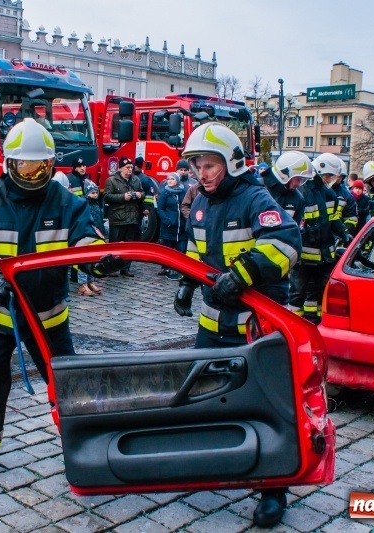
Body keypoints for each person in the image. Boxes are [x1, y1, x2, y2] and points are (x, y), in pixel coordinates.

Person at [0, 118, 122, 487]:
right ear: (9, 163)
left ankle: (88, 446)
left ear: (51, 164)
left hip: (48, 315)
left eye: (41, 166)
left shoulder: (65, 201)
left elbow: (84, 241)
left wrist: (99, 259)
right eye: (25, 166)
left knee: (68, 384)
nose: (33, 173)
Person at [172, 123, 302, 527]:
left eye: (210, 165)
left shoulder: (255, 198)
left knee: (266, 402)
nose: (202, 173)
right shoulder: (200, 202)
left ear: (232, 163)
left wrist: (243, 273)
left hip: (255, 326)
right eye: (197, 166)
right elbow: (193, 250)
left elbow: (285, 243)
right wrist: (186, 283)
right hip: (213, 323)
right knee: (202, 393)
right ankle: (214, 460)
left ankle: (273, 489)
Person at [289, 153, 352, 323]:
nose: (329, 179)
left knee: (321, 293)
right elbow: (295, 224)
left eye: (332, 176)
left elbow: (333, 219)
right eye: (328, 175)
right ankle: (293, 325)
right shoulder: (302, 192)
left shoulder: (329, 194)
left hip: (324, 256)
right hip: (303, 257)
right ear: (319, 170)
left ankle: (317, 323)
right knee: (297, 294)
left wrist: (344, 233)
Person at [259, 151, 310, 305]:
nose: (299, 184)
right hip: (254, 258)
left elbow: (296, 232)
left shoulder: (297, 199)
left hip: (279, 263)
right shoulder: (258, 188)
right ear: (285, 174)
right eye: (298, 179)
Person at [104, 156, 143, 277]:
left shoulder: (136, 180)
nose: (130, 169)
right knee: (114, 245)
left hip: (132, 218)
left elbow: (143, 193)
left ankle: (125, 268)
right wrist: (123, 197)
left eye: (131, 167)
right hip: (117, 218)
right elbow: (107, 196)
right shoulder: (111, 180)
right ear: (121, 168)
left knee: (129, 245)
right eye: (127, 167)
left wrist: (139, 195)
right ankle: (111, 268)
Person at [155, 172, 186, 280]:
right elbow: (160, 208)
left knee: (181, 249)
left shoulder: (183, 192)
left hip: (181, 227)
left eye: (172, 179)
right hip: (169, 227)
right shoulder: (165, 193)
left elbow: (186, 205)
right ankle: (165, 267)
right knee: (167, 249)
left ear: (177, 181)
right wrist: (166, 220)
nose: (169, 181)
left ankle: (179, 268)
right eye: (168, 179)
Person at [78, 181, 106, 296]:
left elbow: (99, 220)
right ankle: (82, 284)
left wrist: (102, 232)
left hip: (95, 235)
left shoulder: (97, 204)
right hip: (86, 235)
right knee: (84, 260)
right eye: (92, 193)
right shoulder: (84, 205)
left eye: (96, 192)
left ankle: (90, 281)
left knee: (93, 260)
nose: (95, 195)